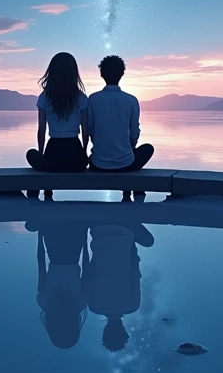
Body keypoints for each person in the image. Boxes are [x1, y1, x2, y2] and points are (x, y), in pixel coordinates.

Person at [87, 55, 154, 198]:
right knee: (147, 149)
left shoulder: (93, 99)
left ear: (101, 74)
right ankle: (128, 191)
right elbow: (134, 133)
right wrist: (127, 147)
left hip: (98, 164)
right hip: (125, 163)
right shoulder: (131, 100)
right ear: (122, 74)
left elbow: (90, 130)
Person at [85, 221, 154, 352]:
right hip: (98, 231)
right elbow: (90, 271)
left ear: (123, 330)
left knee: (149, 242)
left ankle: (127, 209)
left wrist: (129, 240)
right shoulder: (93, 306)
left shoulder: (133, 305)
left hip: (125, 230)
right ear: (105, 331)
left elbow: (134, 269)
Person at [26, 53, 89, 190]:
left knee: (31, 154)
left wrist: (41, 154)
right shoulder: (82, 98)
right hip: (76, 158)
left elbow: (41, 130)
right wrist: (84, 152)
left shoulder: (44, 98)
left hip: (52, 155)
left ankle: (47, 192)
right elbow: (85, 130)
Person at [27, 218, 89, 349]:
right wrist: (40, 235)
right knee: (38, 222)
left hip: (74, 246)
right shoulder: (44, 302)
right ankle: (46, 199)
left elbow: (86, 267)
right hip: (53, 247)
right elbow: (41, 265)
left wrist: (84, 235)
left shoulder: (81, 303)